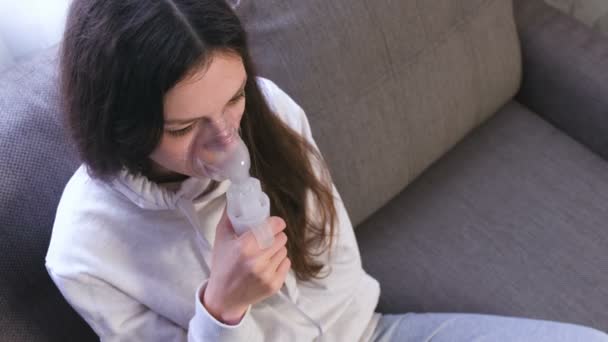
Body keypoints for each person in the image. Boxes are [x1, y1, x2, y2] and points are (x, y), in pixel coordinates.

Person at [45, 0, 608, 341]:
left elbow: (339, 275)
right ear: (120, 126)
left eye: (234, 97)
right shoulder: (86, 252)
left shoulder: (271, 111)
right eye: (182, 128)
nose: (227, 140)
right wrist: (223, 307)